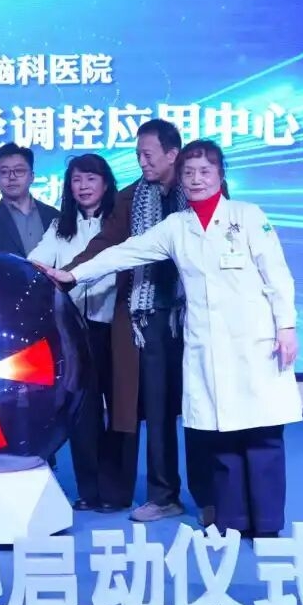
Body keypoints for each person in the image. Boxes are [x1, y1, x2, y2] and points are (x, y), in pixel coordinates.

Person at [44, 139, 302, 539]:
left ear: (220, 175)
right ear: (180, 177)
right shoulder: (176, 227)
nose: (197, 179)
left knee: (262, 434)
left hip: (255, 342)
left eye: (205, 172)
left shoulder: (248, 216)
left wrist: (286, 326)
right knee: (222, 435)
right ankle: (233, 522)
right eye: (189, 173)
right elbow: (126, 252)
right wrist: (74, 274)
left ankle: (267, 525)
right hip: (206, 345)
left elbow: (277, 274)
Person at [63, 119, 210, 523]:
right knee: (157, 412)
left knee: (203, 409)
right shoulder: (130, 198)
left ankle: (210, 497)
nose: (141, 162)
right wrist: (69, 273)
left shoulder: (202, 195)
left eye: (148, 154)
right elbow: (107, 245)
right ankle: (164, 495)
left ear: (172, 154)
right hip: (147, 322)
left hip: (196, 317)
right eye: (138, 155)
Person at [27, 154, 134, 512]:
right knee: (82, 413)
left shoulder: (120, 223)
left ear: (106, 183)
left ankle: (116, 492)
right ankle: (89, 490)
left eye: (91, 178)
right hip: (73, 331)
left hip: (115, 327)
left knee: (119, 409)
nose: (84, 186)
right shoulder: (60, 226)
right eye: (76, 180)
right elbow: (37, 260)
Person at [0, 142, 59, 257]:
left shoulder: (54, 216)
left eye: (19, 171)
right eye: (4, 172)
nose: (12, 177)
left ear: (32, 177)